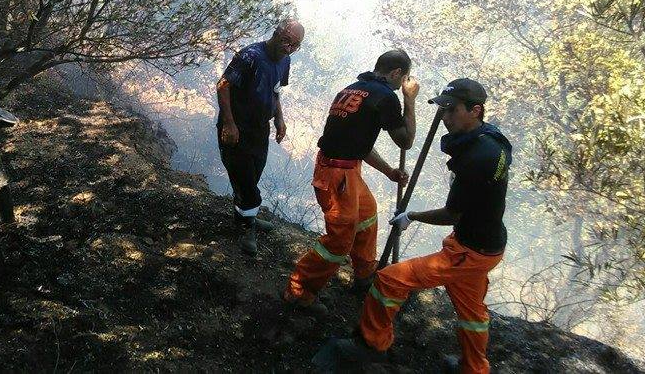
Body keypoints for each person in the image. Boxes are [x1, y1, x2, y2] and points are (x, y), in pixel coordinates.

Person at [312, 78, 512, 374]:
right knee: (472, 312)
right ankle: (475, 367)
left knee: (390, 280)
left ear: (475, 110)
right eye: (443, 111)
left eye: (452, 111)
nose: (445, 118)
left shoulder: (476, 159)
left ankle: (370, 344)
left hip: (469, 251)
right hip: (484, 244)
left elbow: (452, 213)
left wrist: (412, 216)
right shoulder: (492, 141)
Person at [283, 50, 418, 312]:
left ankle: (365, 275)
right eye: (403, 79)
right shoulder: (387, 97)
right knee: (339, 241)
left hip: (345, 168)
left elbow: (360, 144)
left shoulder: (353, 89)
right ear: (397, 74)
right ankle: (299, 290)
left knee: (367, 216)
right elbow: (406, 141)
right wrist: (409, 100)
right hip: (336, 175)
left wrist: (389, 171)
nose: (401, 84)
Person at [216, 19, 305, 255]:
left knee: (253, 173)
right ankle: (248, 226)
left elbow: (276, 90)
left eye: (295, 45)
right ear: (276, 33)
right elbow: (223, 85)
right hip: (237, 126)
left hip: (259, 129)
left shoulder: (285, 60)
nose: (288, 47)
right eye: (286, 40)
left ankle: (244, 216)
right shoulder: (250, 56)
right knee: (244, 177)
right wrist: (229, 123)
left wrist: (279, 118)